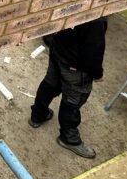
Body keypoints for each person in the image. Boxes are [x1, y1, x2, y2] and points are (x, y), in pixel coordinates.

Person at [29, 17, 107, 159]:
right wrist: (97, 74)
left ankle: (37, 116)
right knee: (74, 100)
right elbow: (94, 50)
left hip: (58, 50)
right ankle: (69, 138)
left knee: (50, 83)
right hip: (75, 65)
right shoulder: (96, 19)